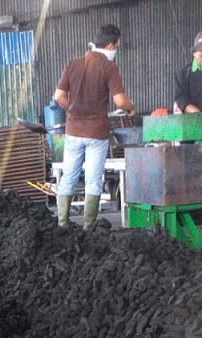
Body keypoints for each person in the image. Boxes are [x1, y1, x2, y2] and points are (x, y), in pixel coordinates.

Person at [53, 24, 136, 230]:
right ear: (110, 45)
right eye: (116, 46)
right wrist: (131, 108)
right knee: (93, 180)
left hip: (73, 131)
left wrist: (72, 110)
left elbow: (59, 97)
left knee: (69, 177)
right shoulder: (108, 67)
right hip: (97, 133)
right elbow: (120, 101)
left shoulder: (73, 64)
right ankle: (88, 227)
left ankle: (62, 223)